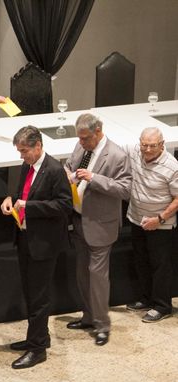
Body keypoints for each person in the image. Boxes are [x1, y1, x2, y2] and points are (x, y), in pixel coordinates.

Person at [0, 126, 72, 369]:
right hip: (25, 237)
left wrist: (28, 206)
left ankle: (37, 349)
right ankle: (39, 336)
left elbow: (64, 206)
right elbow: (23, 193)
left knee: (39, 297)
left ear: (38, 146)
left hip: (44, 243)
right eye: (19, 151)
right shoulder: (28, 166)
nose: (21, 155)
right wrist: (11, 199)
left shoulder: (54, 170)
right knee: (30, 293)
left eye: (24, 150)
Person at [64, 113, 131, 346]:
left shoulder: (117, 155)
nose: (81, 142)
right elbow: (68, 166)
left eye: (85, 138)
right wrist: (68, 175)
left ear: (98, 131)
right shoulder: (80, 146)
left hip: (101, 225)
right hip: (79, 220)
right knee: (82, 274)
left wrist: (94, 178)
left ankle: (102, 325)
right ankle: (88, 317)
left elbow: (125, 189)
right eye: (79, 138)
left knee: (97, 277)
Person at [124, 127, 178, 322]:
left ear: (162, 145)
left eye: (152, 146)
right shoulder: (135, 152)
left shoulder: (172, 167)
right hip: (137, 219)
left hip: (160, 224)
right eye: (144, 145)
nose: (147, 150)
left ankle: (163, 306)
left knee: (160, 266)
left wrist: (159, 219)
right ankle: (146, 298)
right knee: (141, 261)